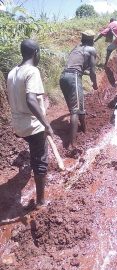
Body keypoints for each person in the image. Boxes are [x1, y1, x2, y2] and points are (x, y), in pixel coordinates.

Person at [7, 39, 53, 208]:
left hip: (18, 125)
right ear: (36, 53)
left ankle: (30, 165)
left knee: (34, 151)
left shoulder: (12, 72)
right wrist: (46, 124)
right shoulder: (32, 71)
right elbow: (31, 100)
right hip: (32, 126)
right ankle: (41, 201)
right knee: (40, 160)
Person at [59, 30, 98, 148]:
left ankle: (84, 129)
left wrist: (82, 72)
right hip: (73, 77)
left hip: (63, 77)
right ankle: (72, 143)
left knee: (77, 106)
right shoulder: (91, 50)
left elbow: (77, 66)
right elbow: (92, 71)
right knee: (75, 110)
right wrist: (94, 84)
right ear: (92, 40)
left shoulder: (77, 48)